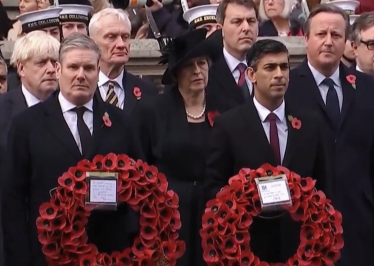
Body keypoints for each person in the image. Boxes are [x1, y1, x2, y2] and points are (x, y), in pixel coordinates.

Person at [2, 33, 137, 266]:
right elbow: (12, 200)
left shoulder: (121, 122)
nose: (80, 75)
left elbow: (136, 189)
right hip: (46, 254)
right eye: (73, 67)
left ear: (98, 70)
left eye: (88, 68)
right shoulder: (27, 125)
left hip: (107, 254)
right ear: (58, 69)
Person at [205, 39, 326, 263]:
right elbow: (215, 185)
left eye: (284, 67)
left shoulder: (310, 123)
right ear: (251, 74)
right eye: (270, 68)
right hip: (248, 246)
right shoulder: (229, 125)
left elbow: (322, 184)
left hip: (301, 246)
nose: (279, 74)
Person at [286, 4, 374, 266]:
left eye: (336, 35)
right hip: (304, 224)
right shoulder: (286, 88)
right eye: (321, 34)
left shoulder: (367, 88)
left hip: (360, 222)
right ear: (306, 38)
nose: (328, 42)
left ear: (347, 41)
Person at [131, 28, 226, 266]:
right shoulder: (151, 112)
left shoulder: (226, 110)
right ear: (175, 74)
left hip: (214, 214)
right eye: (189, 66)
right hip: (166, 217)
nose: (197, 71)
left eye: (202, 63)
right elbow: (138, 167)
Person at [89, 8, 157, 116]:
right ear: (92, 43)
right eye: (111, 37)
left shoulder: (147, 91)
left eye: (125, 37)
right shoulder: (81, 88)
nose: (121, 44)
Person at [0, 30, 59, 150]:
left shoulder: (70, 106)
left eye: (54, 62)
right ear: (21, 68)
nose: (51, 69)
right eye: (41, 63)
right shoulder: (3, 109)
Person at [206, 0, 258, 113]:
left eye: (251, 21)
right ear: (221, 29)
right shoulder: (206, 73)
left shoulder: (269, 68)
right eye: (237, 21)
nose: (246, 28)